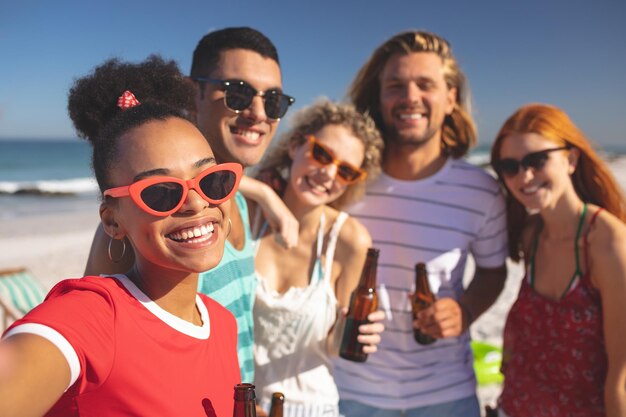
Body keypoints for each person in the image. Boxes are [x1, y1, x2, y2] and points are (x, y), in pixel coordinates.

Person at [0, 56, 242, 416]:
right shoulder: (94, 317)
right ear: (112, 221)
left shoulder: (223, 324)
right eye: (161, 191)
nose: (196, 203)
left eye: (211, 180)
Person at [82, 27, 296, 384]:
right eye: (238, 93)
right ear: (191, 92)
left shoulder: (236, 202)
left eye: (273, 100)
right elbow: (87, 338)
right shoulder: (146, 219)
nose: (259, 113)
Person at [332, 30, 509, 416]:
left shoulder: (482, 190)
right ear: (379, 99)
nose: (410, 97)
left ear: (450, 98)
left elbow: (494, 272)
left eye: (424, 85)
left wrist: (465, 310)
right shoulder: (344, 179)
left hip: (446, 393)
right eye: (395, 85)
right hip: (350, 390)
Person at [248, 100, 385, 416]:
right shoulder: (250, 214)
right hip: (241, 405)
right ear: (295, 145)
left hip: (312, 408)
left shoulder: (350, 241)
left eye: (346, 171)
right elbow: (203, 182)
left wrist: (354, 334)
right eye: (321, 154)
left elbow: (335, 348)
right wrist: (263, 193)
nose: (328, 174)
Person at [490, 104, 626, 417]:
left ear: (571, 159)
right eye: (509, 166)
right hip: (514, 407)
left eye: (537, 160)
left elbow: (621, 378)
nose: (524, 176)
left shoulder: (608, 244)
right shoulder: (531, 237)